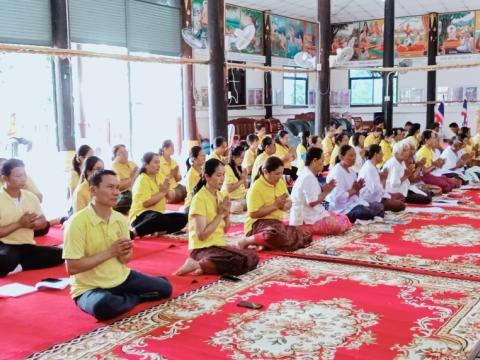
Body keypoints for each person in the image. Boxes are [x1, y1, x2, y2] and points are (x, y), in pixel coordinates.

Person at [63, 170, 172, 320]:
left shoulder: (120, 219)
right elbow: (72, 267)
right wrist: (110, 252)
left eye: (117, 188)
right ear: (93, 190)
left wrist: (124, 252)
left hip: (121, 278)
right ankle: (135, 297)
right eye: (110, 187)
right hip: (89, 287)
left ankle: (125, 297)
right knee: (103, 306)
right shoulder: (77, 222)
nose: (116, 193)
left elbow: (125, 260)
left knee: (165, 288)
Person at [173, 159, 258, 276]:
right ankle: (196, 263)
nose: (222, 179)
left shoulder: (220, 195)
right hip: (201, 249)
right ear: (207, 177)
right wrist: (220, 215)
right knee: (238, 261)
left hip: (217, 245)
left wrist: (226, 215)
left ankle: (203, 266)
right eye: (218, 175)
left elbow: (224, 229)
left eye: (223, 175)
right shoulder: (199, 199)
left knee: (252, 258)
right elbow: (201, 235)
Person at [0, 159, 63, 277]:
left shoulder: (30, 197)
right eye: (18, 176)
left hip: (27, 245)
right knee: (5, 259)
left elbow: (43, 221)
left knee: (61, 254)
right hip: (5, 245)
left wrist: (38, 223)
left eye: (24, 175)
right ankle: (14, 263)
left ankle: (19, 266)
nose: (23, 179)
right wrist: (20, 224)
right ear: (5, 178)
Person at [238, 156, 312, 252]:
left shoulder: (280, 183)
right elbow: (253, 214)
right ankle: (248, 240)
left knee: (305, 234)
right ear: (266, 172)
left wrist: (285, 205)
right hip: (257, 225)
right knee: (274, 234)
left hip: (276, 224)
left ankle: (264, 243)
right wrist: (276, 205)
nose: (280, 176)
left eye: (281, 173)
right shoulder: (255, 188)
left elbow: (288, 200)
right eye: (277, 173)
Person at [290, 148, 351, 235]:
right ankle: (304, 230)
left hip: (311, 214)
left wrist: (323, 190)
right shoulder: (308, 176)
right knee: (342, 222)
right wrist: (326, 192)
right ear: (314, 160)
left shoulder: (308, 174)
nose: (323, 164)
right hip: (306, 221)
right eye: (322, 161)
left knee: (343, 217)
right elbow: (311, 203)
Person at [130, 152, 188, 238]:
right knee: (157, 217)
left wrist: (167, 189)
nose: (158, 165)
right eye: (155, 162)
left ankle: (157, 231)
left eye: (159, 162)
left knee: (183, 218)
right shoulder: (142, 179)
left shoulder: (159, 176)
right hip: (141, 217)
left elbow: (171, 197)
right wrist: (162, 193)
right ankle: (133, 233)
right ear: (146, 165)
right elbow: (146, 203)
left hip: (159, 215)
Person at [326, 145, 385, 223]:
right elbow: (338, 198)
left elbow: (356, 195)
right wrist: (353, 190)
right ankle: (364, 216)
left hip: (354, 203)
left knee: (379, 206)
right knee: (363, 212)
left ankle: (370, 216)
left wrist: (358, 189)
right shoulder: (336, 172)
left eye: (354, 155)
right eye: (350, 155)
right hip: (340, 208)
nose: (354, 158)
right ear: (341, 157)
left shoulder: (352, 171)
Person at [358, 145, 406, 212]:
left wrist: (388, 194)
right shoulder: (369, 168)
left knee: (400, 196)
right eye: (381, 153)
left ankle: (387, 204)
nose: (383, 155)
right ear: (375, 154)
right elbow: (375, 191)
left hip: (379, 195)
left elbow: (381, 189)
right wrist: (384, 181)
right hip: (371, 199)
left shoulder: (375, 167)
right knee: (401, 205)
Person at [112, 144, 138, 215]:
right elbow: (119, 186)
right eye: (121, 152)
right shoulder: (114, 166)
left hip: (136, 191)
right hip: (124, 194)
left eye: (126, 152)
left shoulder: (132, 163)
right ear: (115, 156)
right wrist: (132, 177)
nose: (125, 154)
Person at [222, 145, 248, 213]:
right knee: (241, 206)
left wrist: (245, 178)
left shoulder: (241, 168)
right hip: (231, 199)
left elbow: (245, 187)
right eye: (241, 158)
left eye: (243, 158)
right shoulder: (227, 168)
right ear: (233, 157)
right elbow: (229, 189)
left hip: (241, 197)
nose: (242, 160)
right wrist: (242, 180)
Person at [184, 146, 206, 214]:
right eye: (202, 155)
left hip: (202, 201)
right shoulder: (191, 175)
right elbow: (195, 194)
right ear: (194, 159)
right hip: (193, 205)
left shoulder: (202, 170)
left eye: (204, 155)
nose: (204, 157)